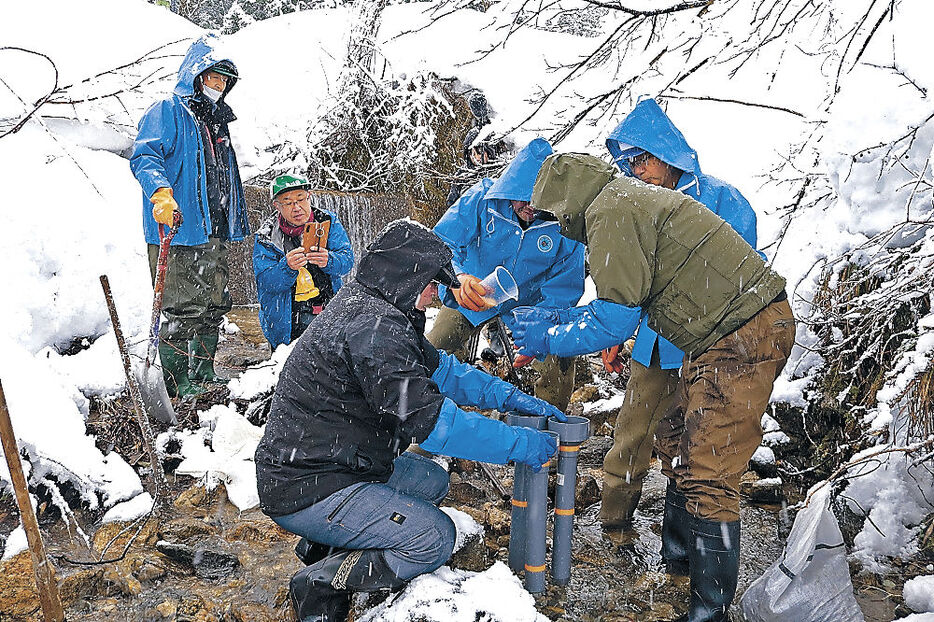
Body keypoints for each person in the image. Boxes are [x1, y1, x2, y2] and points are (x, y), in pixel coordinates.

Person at [509, 154, 796, 622]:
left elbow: (615, 317)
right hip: (722, 333)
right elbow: (630, 299)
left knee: (709, 468)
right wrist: (560, 320)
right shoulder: (624, 199)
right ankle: (680, 563)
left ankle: (709, 611)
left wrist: (549, 336)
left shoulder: (609, 212)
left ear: (568, 202)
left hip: (743, 333)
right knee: (675, 440)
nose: (555, 227)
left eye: (552, 215)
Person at [254, 220, 564, 622]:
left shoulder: (376, 307)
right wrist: (519, 445)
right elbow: (436, 427)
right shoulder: (374, 329)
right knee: (433, 539)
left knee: (431, 481)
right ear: (409, 276)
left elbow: (446, 374)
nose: (436, 295)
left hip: (330, 461)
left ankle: (329, 542)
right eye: (432, 284)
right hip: (305, 483)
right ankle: (321, 581)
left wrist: (508, 395)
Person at [598, 99, 760, 532]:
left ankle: (685, 544)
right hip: (653, 344)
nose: (637, 169)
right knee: (631, 435)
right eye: (629, 162)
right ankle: (613, 527)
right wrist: (616, 332)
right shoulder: (635, 206)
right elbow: (631, 278)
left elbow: (745, 273)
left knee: (700, 442)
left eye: (644, 158)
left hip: (709, 345)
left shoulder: (724, 199)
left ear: (668, 154)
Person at [129, 34, 249, 398]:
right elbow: (145, 156)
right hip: (179, 229)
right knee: (181, 308)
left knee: (213, 304)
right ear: (196, 75)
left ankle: (203, 371)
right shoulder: (167, 110)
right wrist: (161, 194)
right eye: (214, 77)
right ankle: (177, 382)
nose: (219, 85)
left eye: (225, 80)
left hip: (213, 227)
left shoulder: (216, 121)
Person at [429, 137, 585, 410]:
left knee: (559, 356)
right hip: (474, 292)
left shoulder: (566, 222)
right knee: (434, 348)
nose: (530, 207)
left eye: (538, 199)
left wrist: (543, 329)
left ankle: (548, 427)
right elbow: (441, 242)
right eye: (522, 198)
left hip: (531, 306)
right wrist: (456, 279)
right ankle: (424, 423)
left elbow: (564, 288)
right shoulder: (482, 197)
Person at [253, 174, 354, 349]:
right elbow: (265, 282)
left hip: (327, 308)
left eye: (301, 199)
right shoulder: (266, 236)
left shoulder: (327, 221)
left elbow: (347, 261)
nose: (297, 207)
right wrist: (287, 267)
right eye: (288, 202)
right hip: (286, 317)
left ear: (309, 197)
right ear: (277, 206)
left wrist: (329, 260)